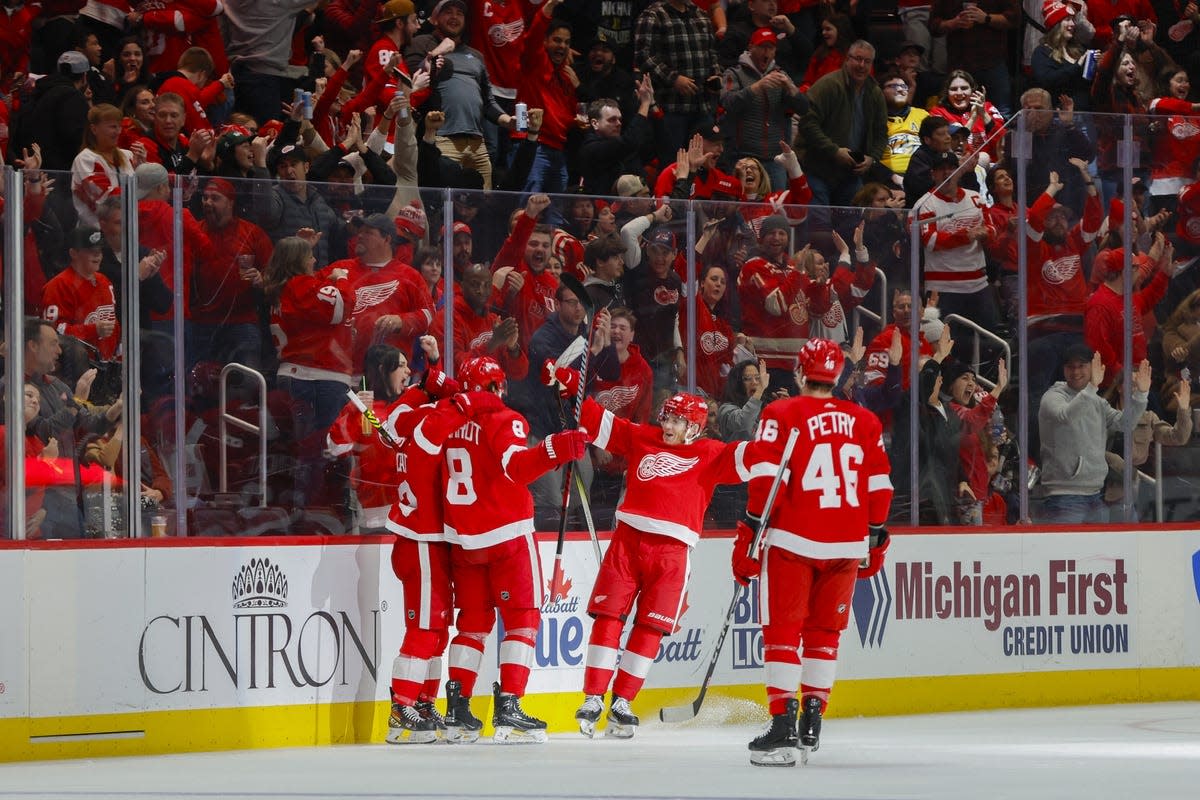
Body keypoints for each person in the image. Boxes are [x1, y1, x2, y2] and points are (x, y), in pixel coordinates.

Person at [542, 368, 758, 740]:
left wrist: (786, 434)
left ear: (694, 427)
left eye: (677, 421)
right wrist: (570, 384)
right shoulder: (643, 437)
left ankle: (622, 701)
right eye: (667, 418)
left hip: (673, 553)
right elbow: (601, 422)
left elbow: (752, 456)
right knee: (609, 615)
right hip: (627, 542)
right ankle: (593, 697)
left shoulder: (711, 453)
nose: (668, 426)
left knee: (650, 627)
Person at [734, 338, 893, 766]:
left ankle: (782, 726)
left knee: (783, 632)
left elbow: (766, 481)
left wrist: (749, 533)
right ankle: (811, 722)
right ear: (838, 374)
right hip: (847, 543)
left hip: (794, 539)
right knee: (825, 633)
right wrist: (874, 537)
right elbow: (879, 487)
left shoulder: (781, 412)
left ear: (800, 373)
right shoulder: (864, 420)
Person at [439, 356, 589, 744]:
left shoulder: (446, 421)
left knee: (472, 624)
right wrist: (556, 448)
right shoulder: (505, 419)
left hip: (463, 541)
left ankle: (457, 710)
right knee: (523, 619)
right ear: (496, 387)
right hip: (506, 537)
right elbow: (518, 467)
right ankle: (509, 706)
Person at [1037, 345, 1150, 523]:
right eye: (1070, 366)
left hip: (1095, 495)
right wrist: (1092, 387)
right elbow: (1067, 417)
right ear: (1064, 370)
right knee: (1068, 543)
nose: (1076, 372)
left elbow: (1124, 424)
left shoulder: (1097, 401)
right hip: (1063, 495)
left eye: (1081, 366)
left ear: (1093, 367)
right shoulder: (1052, 397)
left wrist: (1141, 395)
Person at [797, 40, 886, 207]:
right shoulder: (828, 85)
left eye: (867, 61)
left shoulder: (875, 93)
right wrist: (834, 151)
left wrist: (872, 158)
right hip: (817, 168)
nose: (861, 65)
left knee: (851, 220)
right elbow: (807, 123)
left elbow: (881, 133)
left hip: (851, 173)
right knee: (818, 221)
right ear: (847, 59)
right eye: (857, 59)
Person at [41, 226, 120, 361]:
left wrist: (119, 355)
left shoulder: (104, 281)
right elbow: (52, 332)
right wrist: (93, 330)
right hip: (74, 365)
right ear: (73, 253)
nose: (97, 255)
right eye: (91, 250)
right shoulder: (58, 286)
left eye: (100, 250)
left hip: (107, 363)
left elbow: (114, 323)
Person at [72, 103, 139, 228]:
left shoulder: (128, 156)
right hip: (97, 233)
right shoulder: (86, 159)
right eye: (113, 127)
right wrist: (142, 194)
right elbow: (107, 199)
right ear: (94, 129)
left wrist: (142, 168)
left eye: (119, 126)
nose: (118, 132)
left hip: (128, 230)